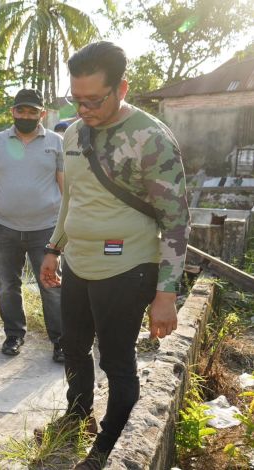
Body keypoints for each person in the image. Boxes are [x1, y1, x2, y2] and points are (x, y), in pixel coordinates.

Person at [38, 41, 190, 469]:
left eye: (94, 100)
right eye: (76, 99)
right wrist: (54, 247)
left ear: (121, 87)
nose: (84, 108)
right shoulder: (73, 132)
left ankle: (108, 444)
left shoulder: (150, 138)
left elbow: (177, 221)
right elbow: (73, 201)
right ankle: (77, 414)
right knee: (72, 347)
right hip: (78, 264)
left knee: (117, 360)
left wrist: (166, 294)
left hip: (127, 269)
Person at [0, 89, 64, 362]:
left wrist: (67, 230)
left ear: (42, 114)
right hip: (5, 229)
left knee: (51, 284)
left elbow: (66, 188)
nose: (26, 116)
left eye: (33, 111)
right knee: (8, 285)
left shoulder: (56, 143)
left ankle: (60, 341)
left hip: (46, 229)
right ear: (13, 111)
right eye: (21, 110)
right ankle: (14, 335)